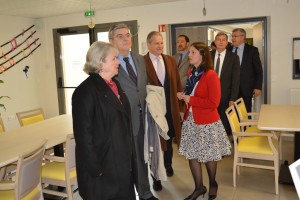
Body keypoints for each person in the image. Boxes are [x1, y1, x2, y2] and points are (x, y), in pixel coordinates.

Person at [72, 41, 135, 200]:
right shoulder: (84, 92)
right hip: (103, 167)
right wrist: (95, 169)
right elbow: (83, 136)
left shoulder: (115, 84)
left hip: (121, 162)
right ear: (100, 62)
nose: (119, 62)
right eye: (114, 59)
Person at [108, 23, 158, 200]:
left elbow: (141, 88)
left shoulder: (139, 59)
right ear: (111, 40)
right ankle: (139, 193)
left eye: (127, 35)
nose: (125, 38)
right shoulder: (109, 64)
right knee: (128, 160)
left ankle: (144, 190)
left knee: (143, 157)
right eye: (120, 36)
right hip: (123, 120)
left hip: (144, 117)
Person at [177, 42, 231, 200]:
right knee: (192, 155)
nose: (189, 55)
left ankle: (213, 183)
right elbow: (190, 92)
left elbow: (214, 103)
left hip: (207, 122)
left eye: (193, 52)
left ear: (202, 55)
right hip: (191, 120)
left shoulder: (211, 75)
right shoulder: (192, 72)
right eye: (190, 52)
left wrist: (190, 99)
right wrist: (183, 100)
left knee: (208, 156)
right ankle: (199, 187)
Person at [144, 31, 185, 191]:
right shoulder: (142, 62)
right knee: (155, 142)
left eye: (161, 43)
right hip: (153, 111)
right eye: (156, 43)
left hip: (171, 108)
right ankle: (155, 176)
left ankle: (168, 165)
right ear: (148, 45)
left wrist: (181, 107)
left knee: (168, 138)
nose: (160, 46)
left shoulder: (170, 60)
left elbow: (178, 85)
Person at [211, 32, 240, 136]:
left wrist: (233, 98)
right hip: (210, 95)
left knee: (223, 122)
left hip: (225, 95)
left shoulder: (233, 57)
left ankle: (223, 144)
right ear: (215, 42)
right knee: (211, 121)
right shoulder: (208, 56)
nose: (221, 42)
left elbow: (236, 80)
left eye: (224, 40)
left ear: (227, 42)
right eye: (218, 39)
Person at [229, 28, 263, 112]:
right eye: (232, 36)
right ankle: (233, 125)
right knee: (231, 111)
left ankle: (246, 125)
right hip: (230, 87)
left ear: (242, 37)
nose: (233, 38)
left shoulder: (252, 50)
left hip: (246, 87)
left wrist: (258, 87)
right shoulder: (228, 50)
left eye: (235, 36)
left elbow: (258, 70)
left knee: (245, 111)